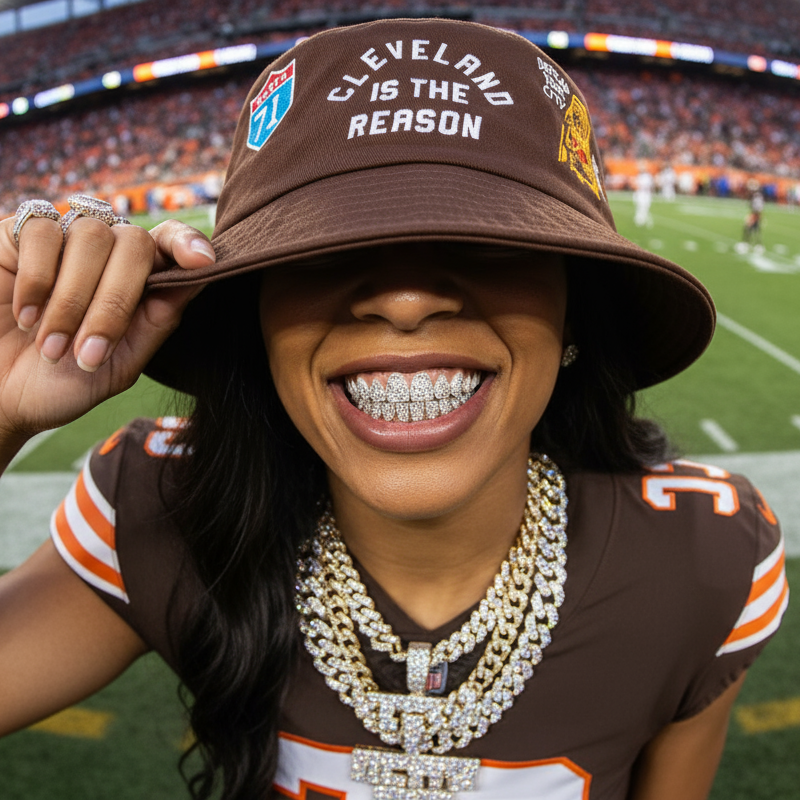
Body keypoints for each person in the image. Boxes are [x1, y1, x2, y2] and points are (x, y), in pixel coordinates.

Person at [0, 19, 788, 800]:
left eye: (488, 241)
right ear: (255, 317)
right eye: (325, 252)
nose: (406, 300)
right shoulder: (163, 507)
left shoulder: (702, 561)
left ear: (577, 309)